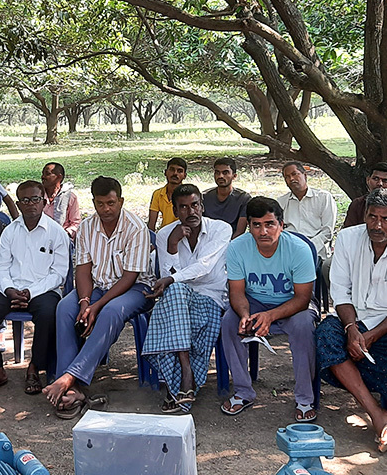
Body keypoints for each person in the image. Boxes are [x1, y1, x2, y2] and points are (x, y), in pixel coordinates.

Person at [44, 176, 154, 418]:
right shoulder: (86, 227)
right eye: (100, 204)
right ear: (93, 203)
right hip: (96, 287)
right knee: (64, 308)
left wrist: (96, 306)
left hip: (135, 288)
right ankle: (72, 389)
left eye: (111, 203)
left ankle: (69, 378)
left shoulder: (136, 228)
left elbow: (129, 276)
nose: (106, 209)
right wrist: (85, 302)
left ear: (121, 201)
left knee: (112, 311)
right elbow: (83, 269)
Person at [220, 197, 318, 422]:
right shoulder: (237, 248)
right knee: (230, 321)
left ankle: (304, 398)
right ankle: (243, 391)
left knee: (304, 326)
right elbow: (236, 292)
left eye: (270, 224)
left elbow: (303, 299)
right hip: (254, 303)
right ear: (249, 227)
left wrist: (270, 315)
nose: (263, 231)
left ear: (281, 225)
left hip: (293, 305)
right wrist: (245, 315)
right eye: (256, 225)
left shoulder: (299, 249)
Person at [0, 181, 69, 397]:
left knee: (47, 313)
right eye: (25, 200)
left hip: (44, 290)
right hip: (12, 289)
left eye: (35, 199)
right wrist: (9, 290)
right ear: (18, 204)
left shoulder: (56, 232)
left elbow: (59, 273)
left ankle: (35, 367)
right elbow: (2, 268)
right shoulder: (10, 231)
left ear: (43, 202)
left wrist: (31, 292)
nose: (30, 204)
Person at [142, 184, 230, 413]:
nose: (191, 212)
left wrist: (171, 280)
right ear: (174, 209)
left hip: (210, 295)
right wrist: (172, 245)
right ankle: (186, 376)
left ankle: (177, 387)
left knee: (174, 293)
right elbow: (169, 278)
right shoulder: (165, 235)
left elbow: (205, 268)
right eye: (183, 208)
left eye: (195, 205)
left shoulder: (221, 229)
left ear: (202, 205)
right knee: (177, 293)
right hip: (177, 298)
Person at [316, 188, 387, 453]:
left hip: (384, 325)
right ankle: (376, 414)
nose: (377, 225)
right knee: (325, 335)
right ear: (365, 214)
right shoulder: (347, 238)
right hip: (351, 319)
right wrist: (351, 329)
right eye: (372, 216)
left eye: (385, 218)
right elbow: (340, 291)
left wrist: (372, 335)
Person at [276, 161, 336, 260]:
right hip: (288, 250)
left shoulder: (323, 198)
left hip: (315, 250)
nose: (291, 179)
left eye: (294, 174)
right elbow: (277, 230)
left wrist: (308, 247)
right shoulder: (281, 202)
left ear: (305, 175)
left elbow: (327, 231)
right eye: (287, 177)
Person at [202, 157, 251, 238]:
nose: (220, 176)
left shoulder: (243, 198)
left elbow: (240, 232)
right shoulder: (204, 197)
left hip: (232, 243)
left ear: (234, 176)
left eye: (225, 173)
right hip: (207, 241)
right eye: (217, 172)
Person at [40, 162, 81, 239]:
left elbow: (76, 223)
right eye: (42, 174)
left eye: (47, 174)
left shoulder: (70, 197)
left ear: (59, 177)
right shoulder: (38, 195)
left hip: (63, 238)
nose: (43, 177)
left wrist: (65, 234)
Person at [147, 157, 187, 231]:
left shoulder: (188, 195)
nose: (175, 173)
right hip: (164, 234)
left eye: (179, 171)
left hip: (184, 235)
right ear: (165, 172)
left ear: (185, 175)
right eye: (172, 169)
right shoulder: (158, 194)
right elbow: (151, 224)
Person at [342, 162, 387, 228]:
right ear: (368, 180)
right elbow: (349, 232)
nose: (379, 184)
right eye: (376, 179)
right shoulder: (358, 204)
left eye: (385, 180)